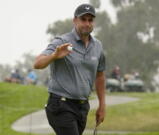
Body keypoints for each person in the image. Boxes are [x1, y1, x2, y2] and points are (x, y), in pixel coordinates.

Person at [33, 3, 106, 135]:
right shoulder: (61, 41)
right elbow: (37, 63)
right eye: (83, 19)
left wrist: (102, 106)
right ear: (75, 20)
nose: (87, 23)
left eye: (90, 20)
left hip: (83, 107)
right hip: (61, 105)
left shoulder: (98, 46)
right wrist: (54, 55)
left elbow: (100, 76)